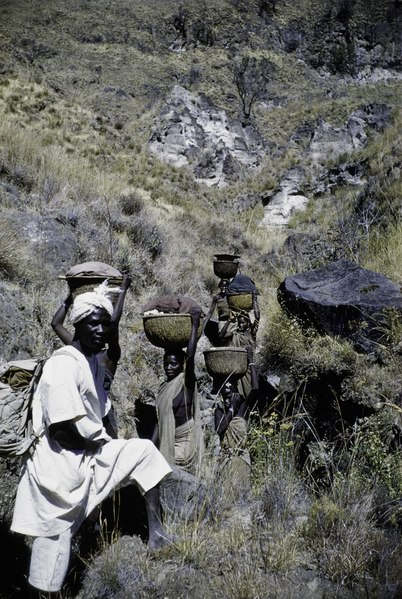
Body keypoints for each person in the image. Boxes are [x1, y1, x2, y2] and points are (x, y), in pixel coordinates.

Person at [11, 285, 172, 595]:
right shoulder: (64, 363)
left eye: (104, 324)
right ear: (78, 325)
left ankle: (157, 534)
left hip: (88, 452)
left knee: (143, 452)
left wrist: (98, 444)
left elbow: (113, 333)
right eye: (92, 323)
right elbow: (59, 428)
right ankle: (42, 592)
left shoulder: (93, 363)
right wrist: (93, 444)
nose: (100, 330)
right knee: (55, 541)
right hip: (59, 464)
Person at [152, 306, 204, 476]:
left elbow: (190, 356)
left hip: (184, 446)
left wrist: (194, 324)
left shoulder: (186, 382)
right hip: (167, 441)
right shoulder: (163, 389)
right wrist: (150, 448)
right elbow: (159, 422)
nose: (168, 368)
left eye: (173, 364)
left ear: (181, 365)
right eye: (166, 364)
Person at [214, 347, 258, 500]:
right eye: (225, 396)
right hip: (226, 459)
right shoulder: (221, 411)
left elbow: (255, 389)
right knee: (226, 498)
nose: (227, 399)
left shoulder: (243, 409)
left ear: (237, 395)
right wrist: (231, 408)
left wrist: (251, 361)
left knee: (242, 497)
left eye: (230, 395)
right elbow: (220, 430)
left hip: (241, 458)